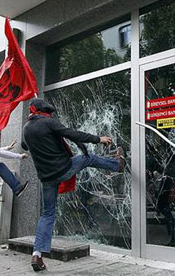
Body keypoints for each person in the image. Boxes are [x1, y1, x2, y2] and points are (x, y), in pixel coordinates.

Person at [22, 98, 124, 272]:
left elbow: (25, 145)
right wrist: (98, 139)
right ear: (44, 112)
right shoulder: (48, 123)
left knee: (47, 215)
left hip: (46, 178)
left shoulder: (26, 128)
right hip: (63, 169)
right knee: (88, 158)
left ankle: (37, 254)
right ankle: (117, 165)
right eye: (49, 112)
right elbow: (73, 134)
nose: (50, 114)